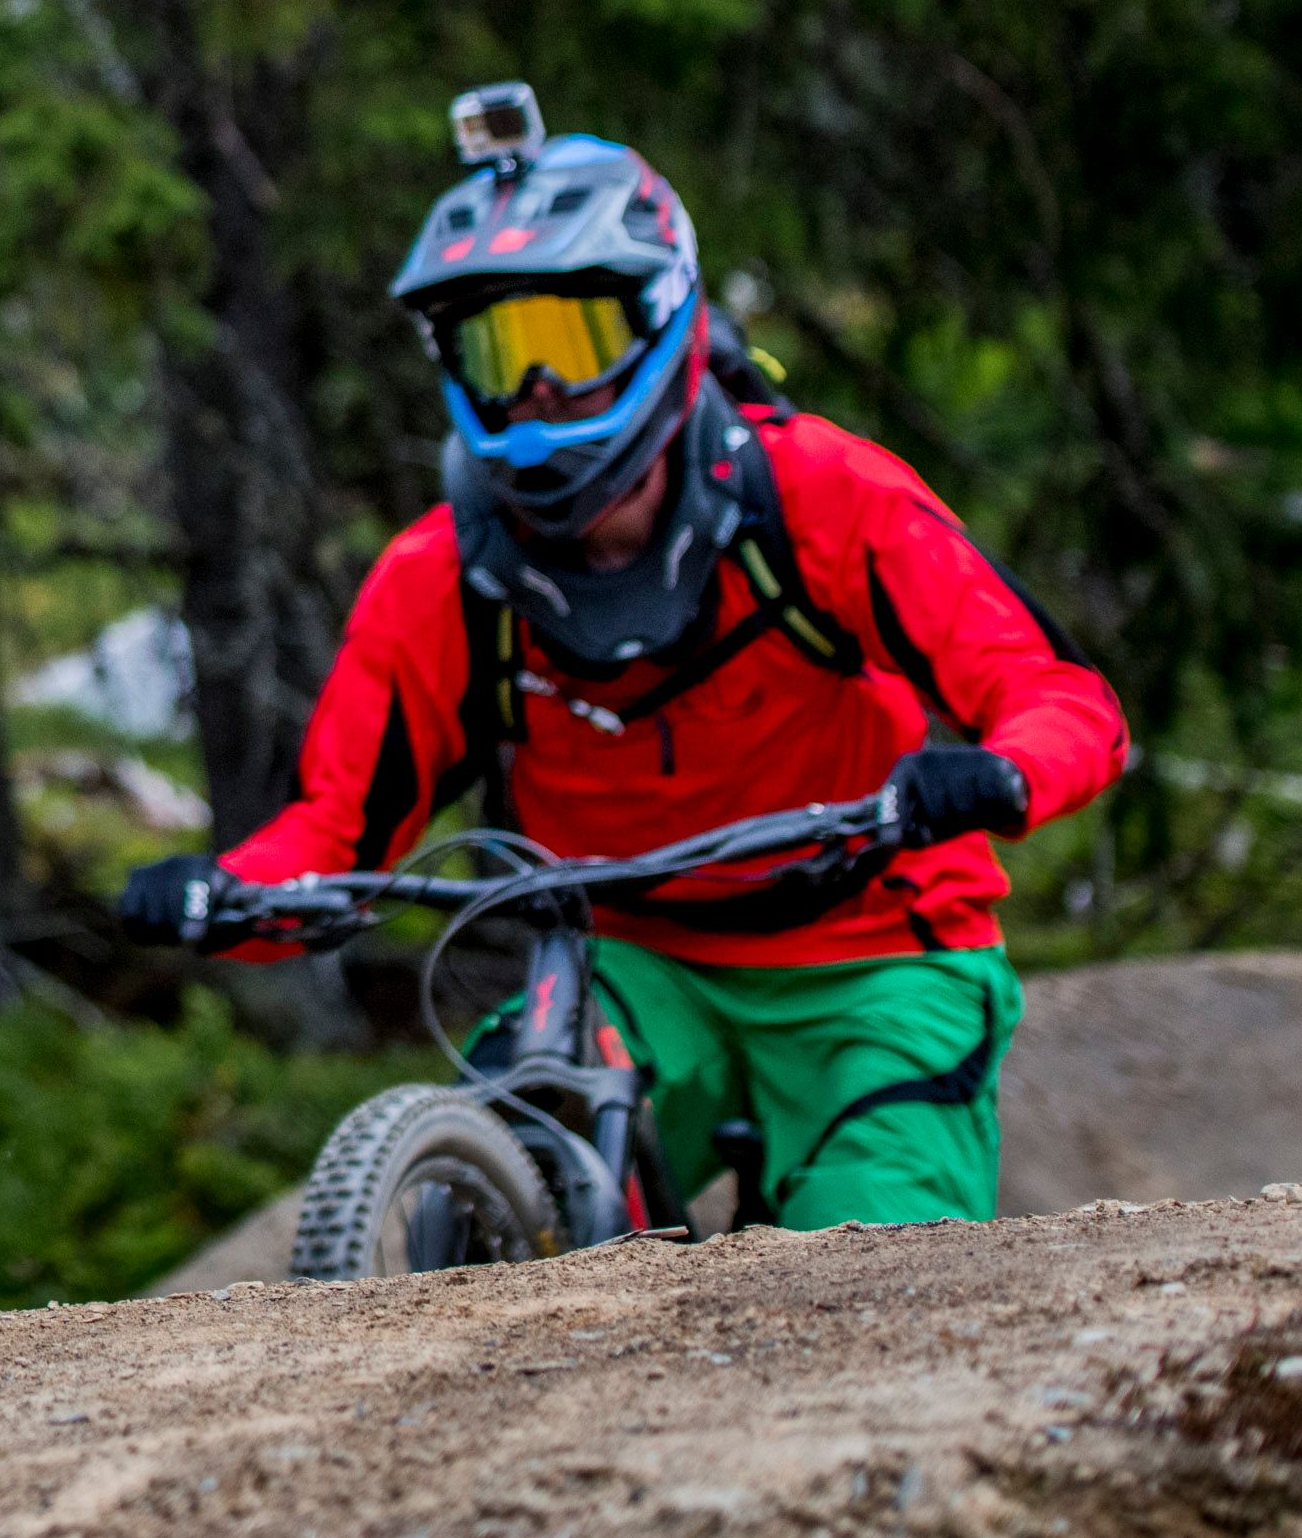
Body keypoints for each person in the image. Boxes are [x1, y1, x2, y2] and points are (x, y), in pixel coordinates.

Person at [120, 86, 1132, 1229]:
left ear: (663, 322)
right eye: (501, 352)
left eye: (573, 341)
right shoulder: (439, 575)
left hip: (877, 953)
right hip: (627, 968)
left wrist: (996, 776)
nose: (538, 391)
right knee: (518, 1167)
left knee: (874, 1257)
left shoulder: (820, 496)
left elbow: (1059, 699)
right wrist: (222, 894)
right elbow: (338, 831)